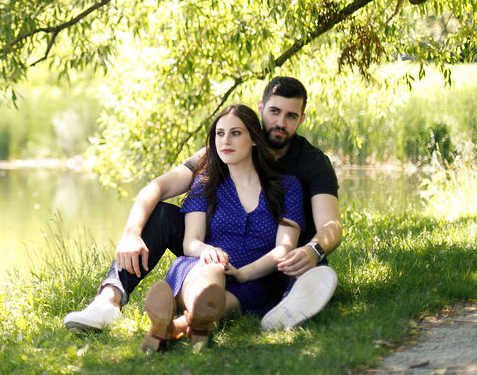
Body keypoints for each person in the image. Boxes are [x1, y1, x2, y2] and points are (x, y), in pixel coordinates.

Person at [64, 76, 341, 333]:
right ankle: (108, 300)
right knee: (159, 214)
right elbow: (157, 187)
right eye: (274, 112)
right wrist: (131, 234)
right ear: (261, 108)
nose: (280, 122)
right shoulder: (221, 150)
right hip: (216, 250)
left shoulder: (310, 164)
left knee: (310, 258)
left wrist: (313, 250)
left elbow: (331, 225)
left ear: (301, 118)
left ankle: (288, 299)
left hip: (281, 254)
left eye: (291, 116)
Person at [141, 104, 303, 351]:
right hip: (199, 266)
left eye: (236, 133)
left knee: (220, 303)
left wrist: (244, 273)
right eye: (220, 133)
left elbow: (284, 248)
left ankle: (169, 326)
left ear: (255, 140)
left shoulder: (286, 187)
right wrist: (207, 251)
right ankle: (192, 318)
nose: (225, 140)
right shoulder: (206, 183)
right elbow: (190, 241)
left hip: (255, 278)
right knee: (213, 271)